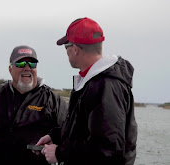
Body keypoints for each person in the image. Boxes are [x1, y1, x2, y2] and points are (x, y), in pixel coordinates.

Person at [35, 17, 138, 165]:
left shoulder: (106, 85)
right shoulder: (93, 82)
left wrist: (60, 153)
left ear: (75, 49)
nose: (66, 52)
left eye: (66, 47)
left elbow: (107, 148)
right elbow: (86, 129)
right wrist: (57, 136)